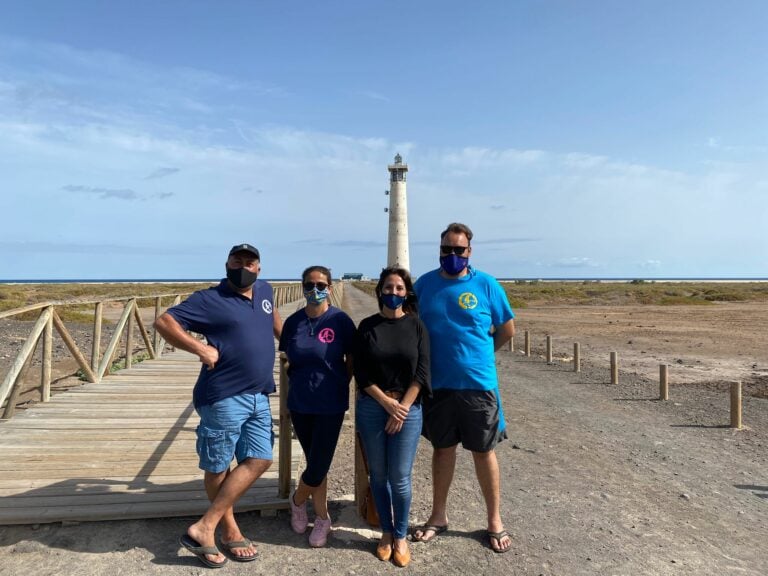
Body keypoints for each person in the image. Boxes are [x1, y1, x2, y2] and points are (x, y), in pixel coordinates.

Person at [154, 243, 282, 568]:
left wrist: (294, 345)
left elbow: (273, 318)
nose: (243, 266)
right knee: (218, 466)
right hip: (223, 394)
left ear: (259, 268)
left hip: (259, 393)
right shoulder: (209, 299)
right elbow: (165, 322)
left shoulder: (265, 290)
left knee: (260, 459)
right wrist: (200, 348)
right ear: (226, 263)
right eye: (237, 261)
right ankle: (227, 529)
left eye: (249, 262)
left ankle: (204, 526)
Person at [412, 222, 516, 554]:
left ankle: (494, 521)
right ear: (440, 250)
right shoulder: (425, 286)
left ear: (469, 251)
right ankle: (438, 516)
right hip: (438, 385)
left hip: (478, 385)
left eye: (459, 250)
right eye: (447, 249)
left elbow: (507, 329)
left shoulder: (486, 285)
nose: (453, 255)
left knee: (483, 451)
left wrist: (480, 356)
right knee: (442, 449)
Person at [354, 266, 431, 568]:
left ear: (406, 292)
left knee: (399, 478)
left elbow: (422, 371)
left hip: (408, 410)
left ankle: (400, 535)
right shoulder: (367, 327)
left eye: (399, 288)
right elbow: (361, 372)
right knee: (379, 476)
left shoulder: (416, 326)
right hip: (374, 406)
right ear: (379, 291)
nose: (394, 293)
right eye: (388, 288)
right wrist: (388, 403)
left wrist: (403, 407)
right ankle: (385, 531)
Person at [278, 266, 355, 547]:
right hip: (301, 402)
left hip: (330, 403)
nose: (315, 289)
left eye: (321, 284)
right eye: (309, 284)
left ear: (330, 287)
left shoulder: (341, 321)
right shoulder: (294, 323)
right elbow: (288, 356)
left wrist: (338, 382)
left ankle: (298, 500)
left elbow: (351, 359)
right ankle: (322, 516)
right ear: (302, 287)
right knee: (314, 462)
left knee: (320, 462)